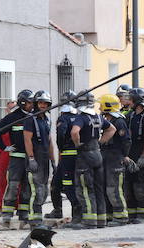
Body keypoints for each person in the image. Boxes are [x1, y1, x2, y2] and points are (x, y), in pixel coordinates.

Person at [69, 92, 115, 228]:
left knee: (85, 189)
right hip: (97, 155)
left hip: (85, 157)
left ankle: (89, 221)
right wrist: (100, 142)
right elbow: (112, 129)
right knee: (98, 188)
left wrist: (77, 144)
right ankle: (101, 220)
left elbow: (74, 132)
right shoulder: (98, 117)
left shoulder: (81, 117)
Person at [0, 90, 35, 223]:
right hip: (16, 157)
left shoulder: (34, 116)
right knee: (13, 185)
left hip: (29, 158)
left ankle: (24, 212)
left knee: (27, 186)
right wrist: (4, 147)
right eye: (29, 102)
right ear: (22, 103)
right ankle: (7, 213)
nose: (32, 105)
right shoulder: (13, 117)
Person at [98, 94, 131, 225]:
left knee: (114, 188)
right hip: (107, 157)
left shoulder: (119, 121)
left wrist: (124, 156)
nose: (99, 107)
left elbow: (126, 141)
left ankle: (121, 216)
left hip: (115, 158)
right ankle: (110, 215)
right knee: (106, 187)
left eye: (101, 104)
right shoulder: (107, 120)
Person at [47, 90, 80, 220]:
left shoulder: (63, 118)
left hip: (66, 155)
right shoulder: (80, 116)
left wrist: (61, 148)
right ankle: (57, 210)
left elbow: (60, 135)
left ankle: (76, 214)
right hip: (76, 156)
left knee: (67, 184)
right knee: (57, 183)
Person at [23, 91, 54, 226]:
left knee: (44, 190)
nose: (43, 105)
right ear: (36, 104)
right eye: (40, 103)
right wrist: (31, 158)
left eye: (45, 103)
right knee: (36, 190)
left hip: (44, 158)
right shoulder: (30, 119)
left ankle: (38, 217)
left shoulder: (46, 120)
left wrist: (53, 160)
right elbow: (27, 139)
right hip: (34, 157)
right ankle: (34, 220)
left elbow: (49, 141)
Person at [124, 87, 144, 223]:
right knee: (128, 186)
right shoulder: (131, 115)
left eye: (131, 98)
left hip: (142, 156)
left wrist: (143, 156)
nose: (128, 101)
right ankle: (132, 214)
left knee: (140, 187)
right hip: (131, 156)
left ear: (137, 100)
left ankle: (143, 215)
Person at [0, 101, 17, 210]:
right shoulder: (1, 123)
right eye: (11, 109)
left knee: (16, 181)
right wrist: (1, 150)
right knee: (0, 181)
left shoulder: (21, 122)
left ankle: (16, 205)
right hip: (2, 155)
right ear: (7, 110)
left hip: (15, 155)